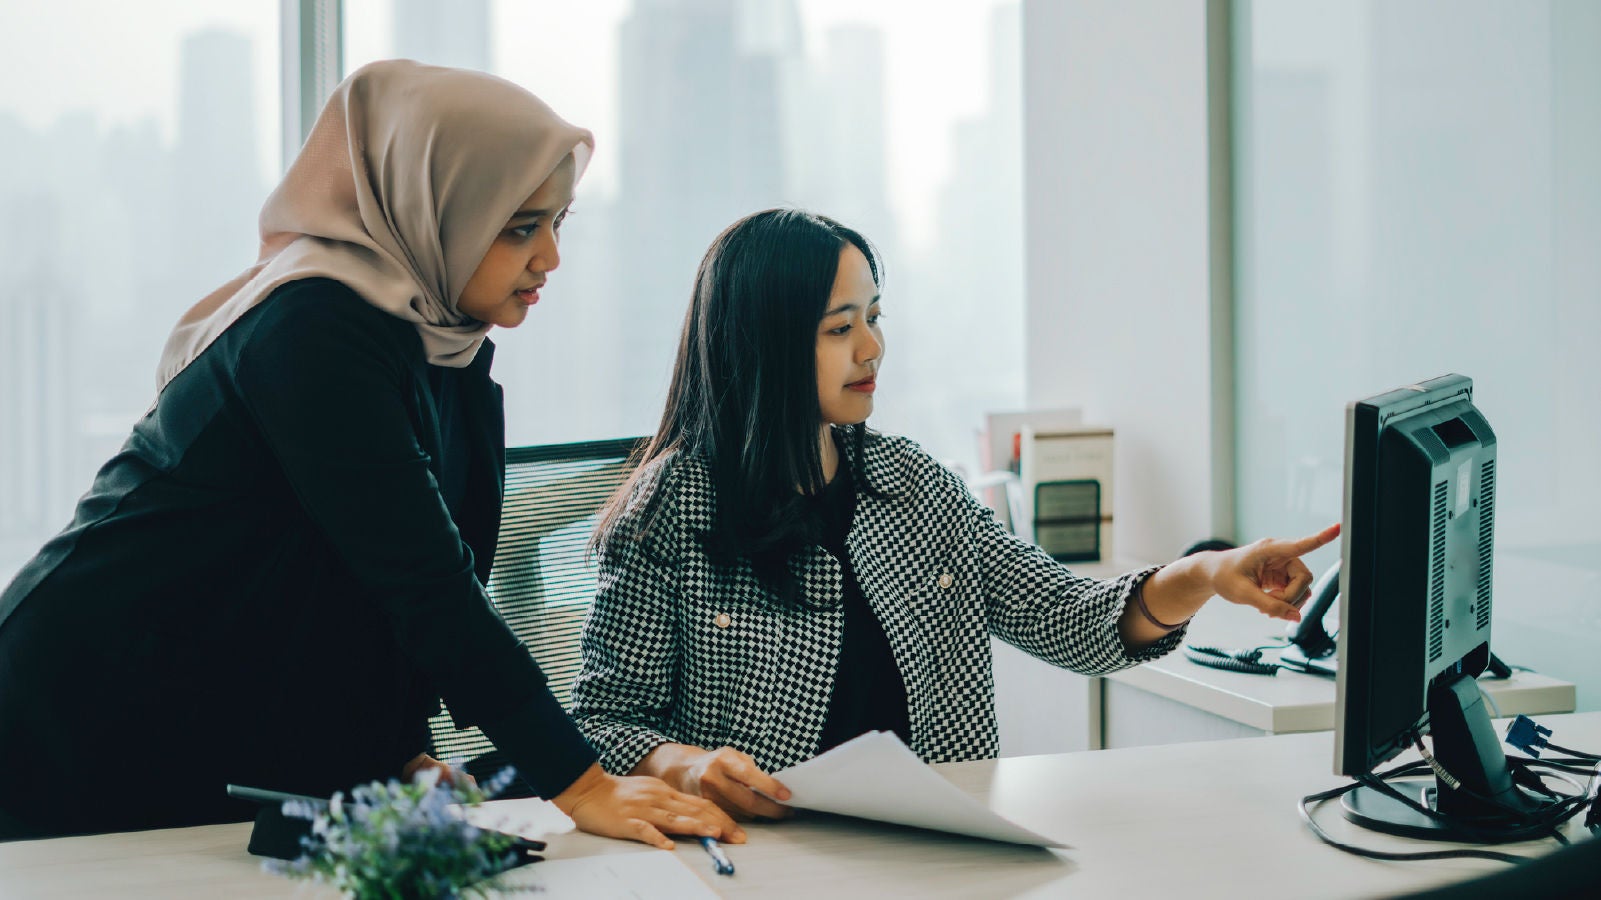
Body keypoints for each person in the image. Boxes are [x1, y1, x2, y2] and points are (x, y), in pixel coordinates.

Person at [0, 60, 739, 849]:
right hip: (78, 712)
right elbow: (427, 584)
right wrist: (582, 784)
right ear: (435, 207)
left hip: (195, 712)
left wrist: (389, 748)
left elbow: (353, 584)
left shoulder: (442, 349)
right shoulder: (312, 329)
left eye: (560, 222)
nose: (549, 257)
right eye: (520, 226)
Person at [570, 208, 1340, 819]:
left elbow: (1069, 617)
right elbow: (603, 723)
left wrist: (1204, 574)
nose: (872, 347)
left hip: (938, 842)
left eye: (874, 315)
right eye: (839, 328)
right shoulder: (670, 507)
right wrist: (692, 768)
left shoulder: (910, 483)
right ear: (761, 345)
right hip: (758, 855)